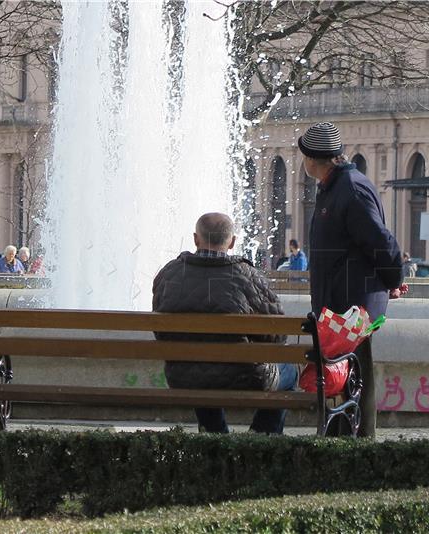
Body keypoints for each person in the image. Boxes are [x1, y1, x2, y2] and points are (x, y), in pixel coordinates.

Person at [299, 121, 403, 438]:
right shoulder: (333, 187)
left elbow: (381, 241)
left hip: (352, 306)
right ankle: (341, 440)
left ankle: (358, 443)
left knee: (354, 377)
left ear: (314, 159)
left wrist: (392, 279)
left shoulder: (350, 190)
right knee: (341, 378)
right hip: (339, 302)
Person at [152, 212, 298, 434]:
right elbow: (278, 335)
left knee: (201, 366)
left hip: (184, 375)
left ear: (195, 239)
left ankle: (214, 434)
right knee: (291, 372)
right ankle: (260, 436)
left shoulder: (169, 273)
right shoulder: (247, 276)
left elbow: (161, 331)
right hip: (245, 376)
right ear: (232, 242)